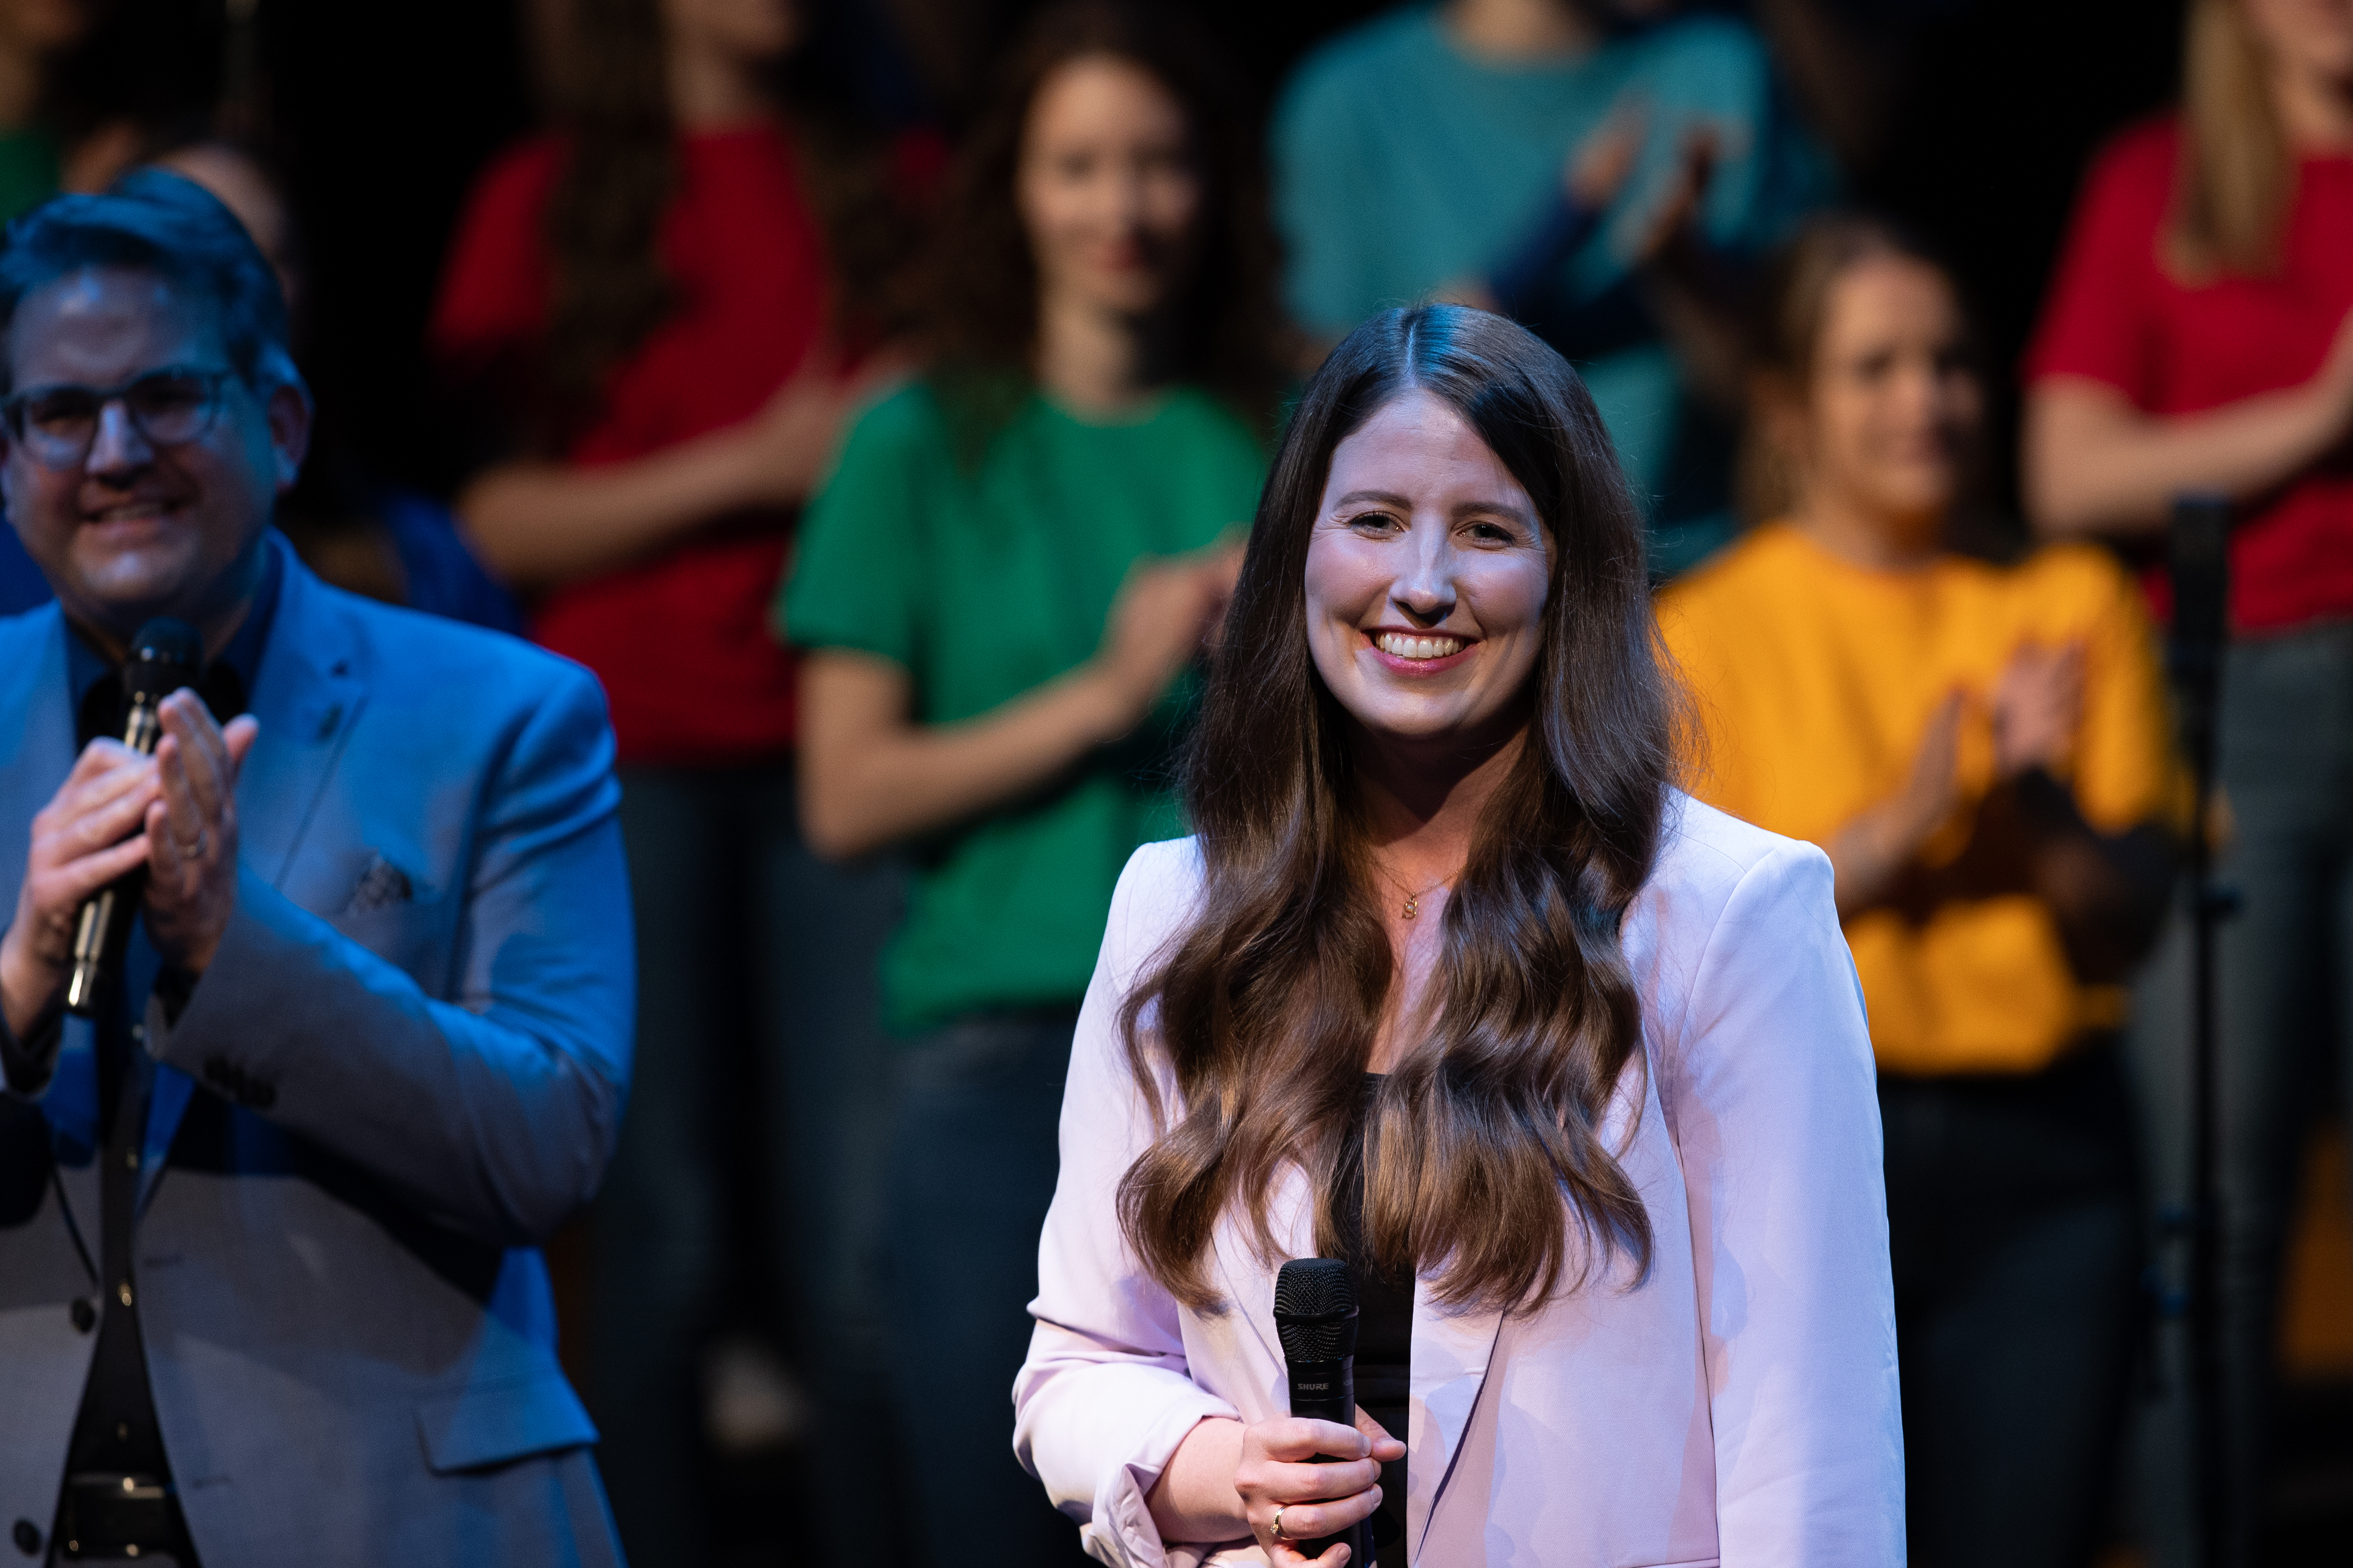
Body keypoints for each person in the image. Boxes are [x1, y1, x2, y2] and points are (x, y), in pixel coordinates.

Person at [1013, 300, 1900, 1567]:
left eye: (1485, 531)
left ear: (1566, 575)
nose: (1421, 584)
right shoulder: (1179, 911)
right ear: (1297, 552)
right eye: (1374, 521)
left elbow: (1808, 1460)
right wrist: (1232, 1471)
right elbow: (1080, 1364)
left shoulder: (1727, 915)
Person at [0, 172, 630, 1565]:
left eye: (168, 396)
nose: (115, 451)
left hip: (389, 1519)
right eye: (60, 412)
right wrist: (19, 987)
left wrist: (235, 947)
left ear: (281, 424)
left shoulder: (504, 718)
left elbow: (551, 1146)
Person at [778, 3, 1278, 1561]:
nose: (1120, 205)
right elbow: (843, 791)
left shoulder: (1283, 432)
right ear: (1010, 187)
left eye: (1158, 162)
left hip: (1257, 1045)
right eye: (1076, 165)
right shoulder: (913, 441)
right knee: (988, 1511)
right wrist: (1105, 697)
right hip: (1000, 1051)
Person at [429, 1, 921, 1560]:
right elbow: (493, 519)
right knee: (660, 1233)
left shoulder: (898, 176)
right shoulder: (550, 195)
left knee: (856, 1238)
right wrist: (753, 464)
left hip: (846, 742)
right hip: (624, 751)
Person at [1661, 216, 2178, 1567]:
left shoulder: (2065, 597)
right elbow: (1684, 947)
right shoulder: (1700, 632)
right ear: (1785, 404)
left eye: (1949, 361)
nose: (1925, 398)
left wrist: (2035, 797)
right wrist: (1907, 820)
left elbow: (2127, 920)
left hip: (2045, 1158)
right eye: (1875, 366)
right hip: (1802, 1158)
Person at [2022, 4, 2353, 1561]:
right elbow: (2065, 470)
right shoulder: (2158, 181)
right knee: (2212, 1211)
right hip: (2235, 705)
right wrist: (2320, 414)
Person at [1271, 0, 1830, 577]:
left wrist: (1688, 276)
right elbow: (1328, 417)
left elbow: (1793, 411)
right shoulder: (1350, 103)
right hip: (1449, 592)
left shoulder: (1719, 68)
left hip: (1696, 585)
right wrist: (1551, 237)